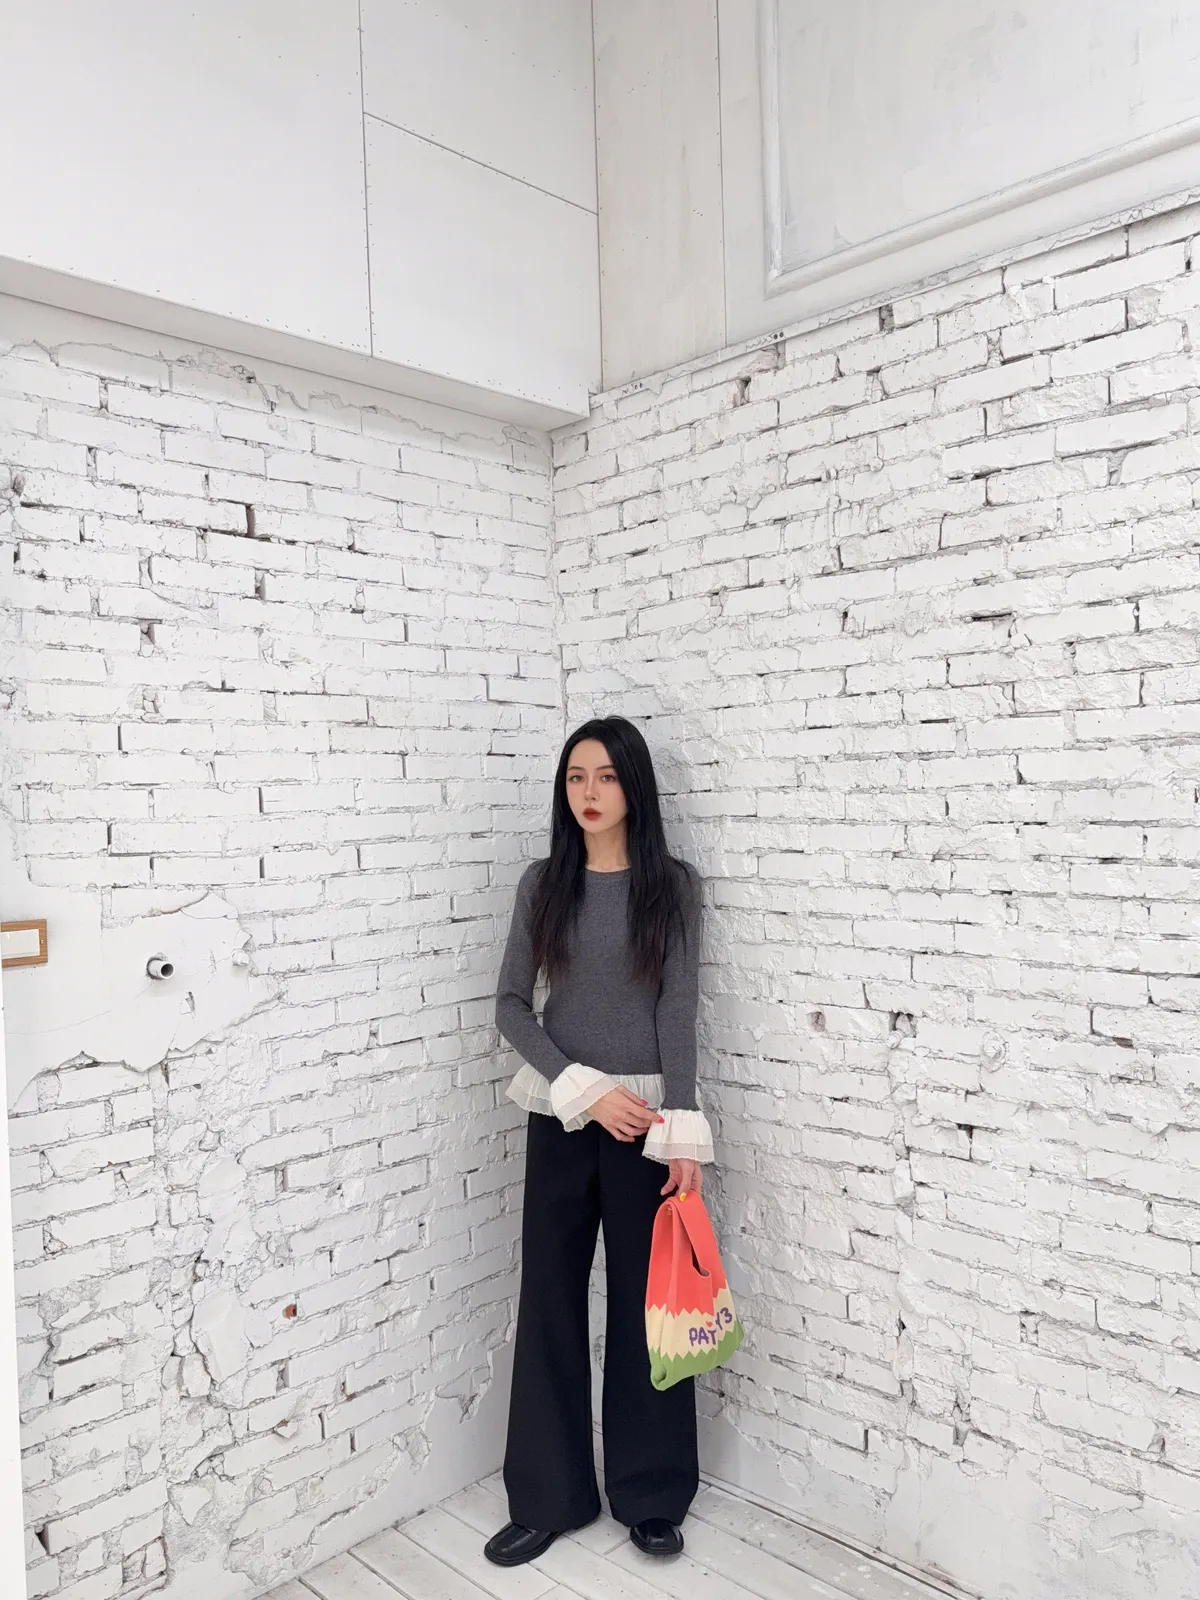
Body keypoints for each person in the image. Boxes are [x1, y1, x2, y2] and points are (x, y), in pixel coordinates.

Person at [483, 715, 714, 1568]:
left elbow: (677, 1012)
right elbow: (511, 1006)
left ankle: (651, 1494)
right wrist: (583, 1088)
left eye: (606, 777)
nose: (589, 792)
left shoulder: (673, 888)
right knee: (549, 1296)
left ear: (633, 787)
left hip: (647, 1128)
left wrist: (681, 1131)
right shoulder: (543, 884)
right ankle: (548, 1496)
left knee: (648, 1307)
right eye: (576, 777)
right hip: (564, 1116)